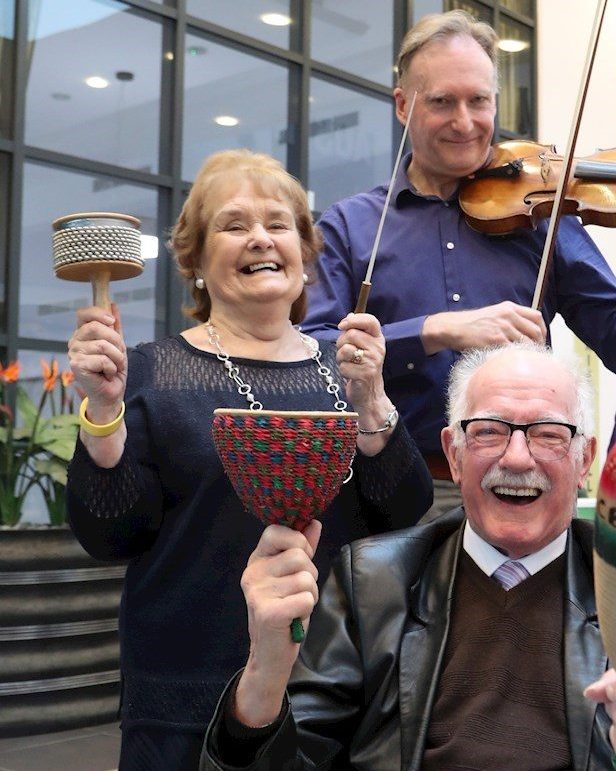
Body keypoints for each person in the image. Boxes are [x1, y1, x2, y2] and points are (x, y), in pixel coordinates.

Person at [199, 342, 616, 770]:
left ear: (584, 460)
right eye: (489, 432)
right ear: (453, 453)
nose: (518, 458)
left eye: (549, 433)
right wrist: (263, 675)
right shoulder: (374, 580)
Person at [66, 149, 432, 770]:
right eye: (234, 225)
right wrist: (104, 412)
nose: (260, 238)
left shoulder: (345, 367)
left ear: (304, 253)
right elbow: (111, 535)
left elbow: (402, 514)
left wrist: (371, 396)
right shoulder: (151, 371)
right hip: (187, 690)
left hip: (334, 687)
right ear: (198, 261)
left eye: (279, 224)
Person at [300, 9, 616, 514]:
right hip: (392, 483)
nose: (465, 122)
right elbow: (312, 358)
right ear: (403, 105)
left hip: (522, 484)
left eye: (479, 101)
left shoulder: (542, 214)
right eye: (442, 102)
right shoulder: (351, 225)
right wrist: (435, 330)